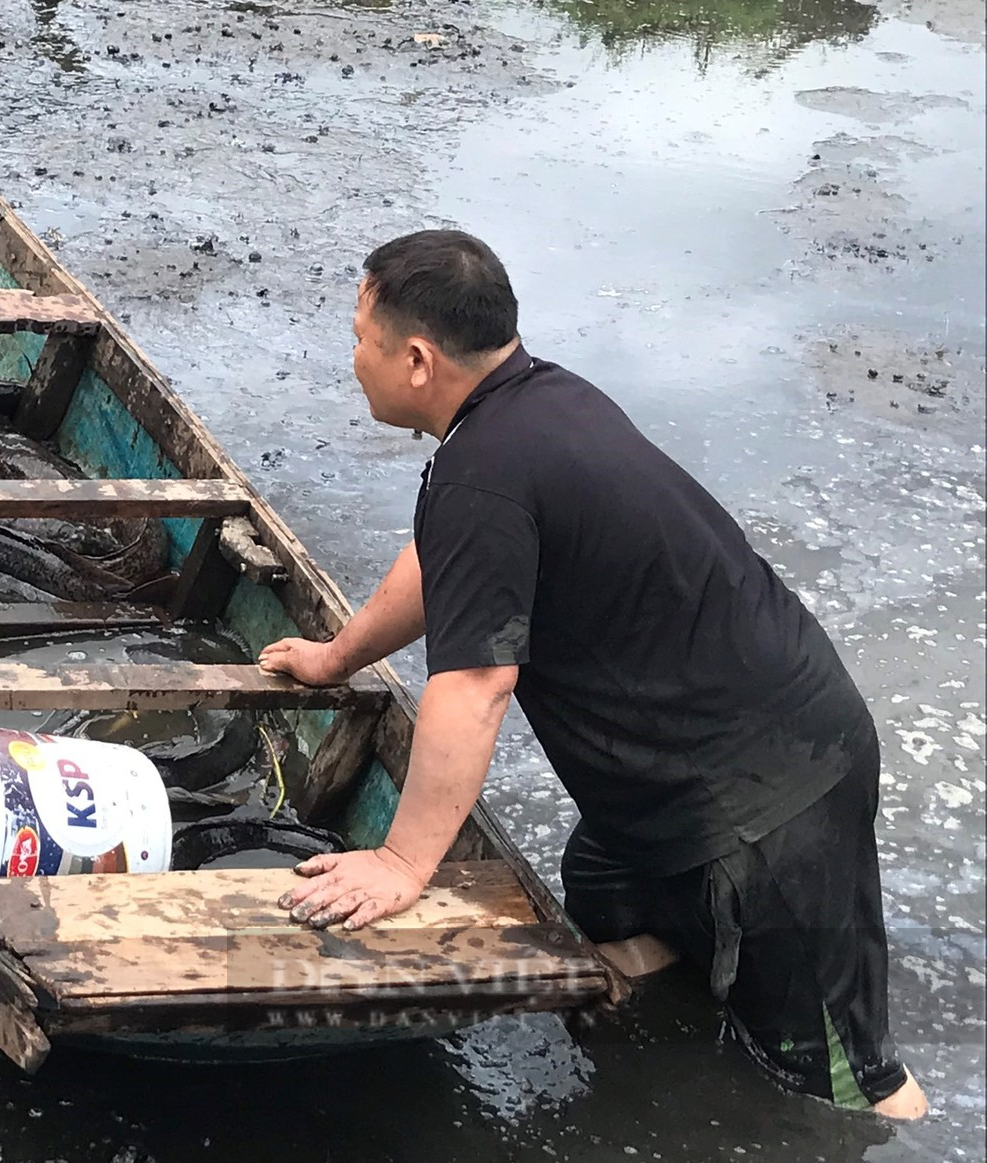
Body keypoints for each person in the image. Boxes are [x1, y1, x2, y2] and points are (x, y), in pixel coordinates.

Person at [258, 229, 926, 1118]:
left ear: (417, 360)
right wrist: (339, 657)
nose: (353, 359)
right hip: (681, 778)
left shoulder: (488, 470)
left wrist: (401, 861)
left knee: (842, 1087)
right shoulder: (528, 412)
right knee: (605, 886)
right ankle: (678, 1016)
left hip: (776, 797)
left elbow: (476, 684)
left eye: (359, 339)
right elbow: (442, 562)